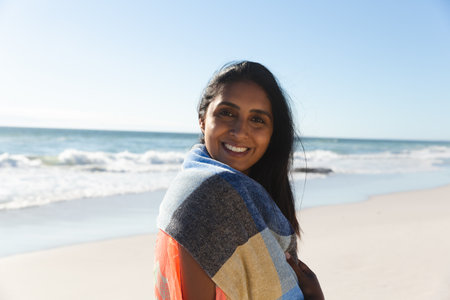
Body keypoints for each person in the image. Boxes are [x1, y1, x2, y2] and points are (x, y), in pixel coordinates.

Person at [155, 61, 324, 300]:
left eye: (257, 119)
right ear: (203, 120)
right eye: (227, 113)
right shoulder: (207, 196)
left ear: (272, 133)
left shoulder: (254, 199)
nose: (240, 131)